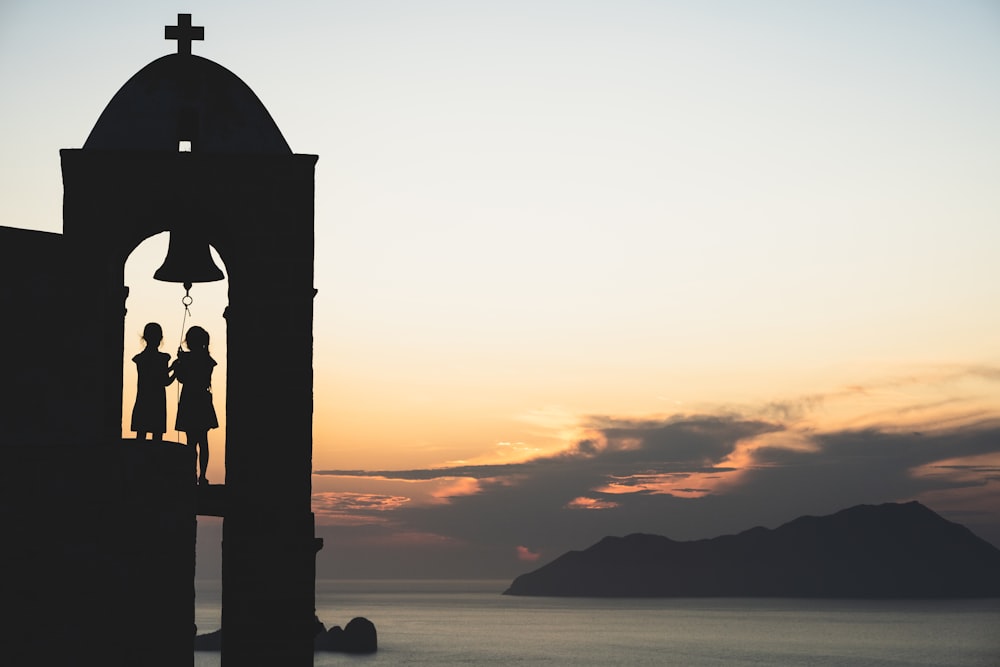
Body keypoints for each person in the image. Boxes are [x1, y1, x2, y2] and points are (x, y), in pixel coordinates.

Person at [171, 325, 218, 484]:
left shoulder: (188, 359)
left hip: (190, 400)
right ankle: (202, 475)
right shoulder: (207, 359)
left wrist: (180, 364)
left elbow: (183, 378)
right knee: (203, 440)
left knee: (191, 441)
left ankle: (191, 474)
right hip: (203, 400)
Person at [130, 322, 174, 442]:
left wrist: (171, 368)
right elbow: (165, 381)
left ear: (145, 338)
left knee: (140, 437)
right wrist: (175, 371)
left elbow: (154, 375)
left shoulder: (140, 359)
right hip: (157, 400)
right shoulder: (162, 359)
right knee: (157, 438)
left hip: (143, 399)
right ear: (160, 338)